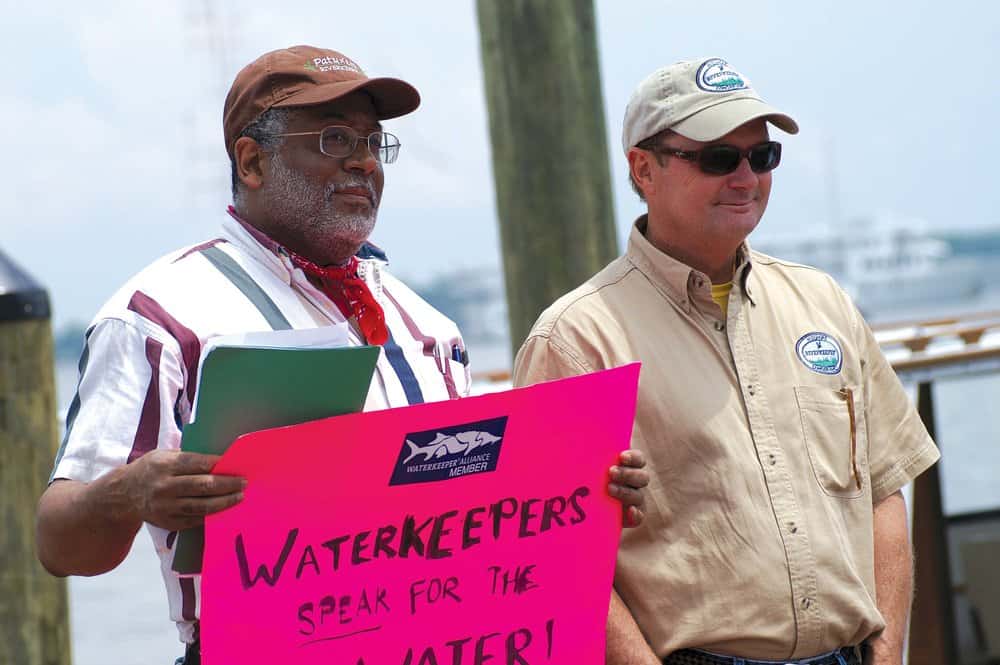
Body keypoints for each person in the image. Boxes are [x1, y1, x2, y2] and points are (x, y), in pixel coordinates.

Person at [35, 45, 648, 664]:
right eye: (333, 139)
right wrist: (128, 494)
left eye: (372, 143)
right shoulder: (161, 317)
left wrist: (584, 488)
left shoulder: (425, 326)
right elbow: (60, 544)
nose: (363, 162)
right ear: (251, 162)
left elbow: (473, 509)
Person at [513, 56, 940, 665]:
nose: (746, 177)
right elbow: (555, 549)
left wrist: (888, 649)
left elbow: (882, 487)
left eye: (761, 157)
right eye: (718, 158)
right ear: (643, 168)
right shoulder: (576, 340)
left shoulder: (823, 303)